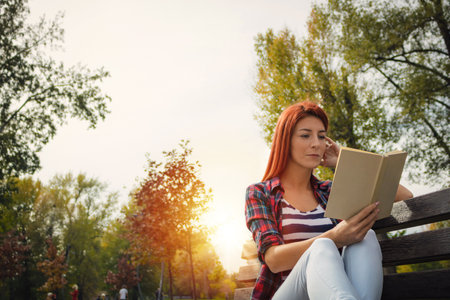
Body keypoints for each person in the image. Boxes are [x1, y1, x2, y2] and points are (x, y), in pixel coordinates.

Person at [245, 101, 413, 300]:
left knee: (365, 237)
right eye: (305, 135)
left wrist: (345, 159)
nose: (317, 143)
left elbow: (405, 199)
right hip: (287, 294)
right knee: (322, 246)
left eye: (322, 136)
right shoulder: (260, 193)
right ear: (286, 141)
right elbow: (273, 259)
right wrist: (335, 237)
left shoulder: (328, 191)